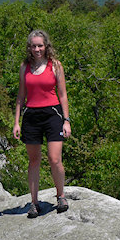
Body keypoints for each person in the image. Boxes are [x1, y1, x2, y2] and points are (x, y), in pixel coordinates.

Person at [13, 29, 71, 218]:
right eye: (33, 46)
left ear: (46, 46)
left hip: (53, 114)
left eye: (40, 45)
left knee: (54, 159)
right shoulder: (25, 67)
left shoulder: (55, 66)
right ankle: (34, 203)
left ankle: (61, 195)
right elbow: (21, 97)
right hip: (31, 116)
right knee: (34, 161)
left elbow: (62, 95)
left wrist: (66, 120)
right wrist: (17, 122)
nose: (37, 49)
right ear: (29, 48)